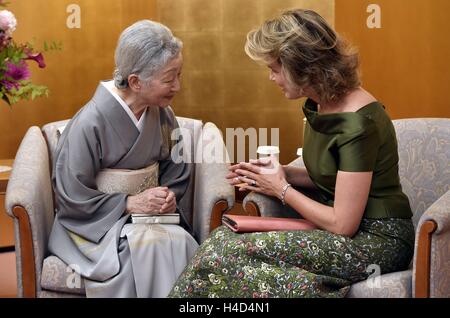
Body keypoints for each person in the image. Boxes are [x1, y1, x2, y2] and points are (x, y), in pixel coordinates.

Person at [169, 9, 414, 298]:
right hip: (349, 231)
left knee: (226, 253)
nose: (271, 77)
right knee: (220, 241)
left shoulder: (358, 123)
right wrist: (279, 172)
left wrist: (281, 188)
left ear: (302, 66)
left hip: (376, 240)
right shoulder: (321, 103)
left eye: (274, 68)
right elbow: (332, 175)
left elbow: (342, 223)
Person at [48, 20, 199, 298]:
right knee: (144, 250)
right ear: (135, 82)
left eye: (179, 75)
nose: (177, 86)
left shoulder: (163, 113)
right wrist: (129, 204)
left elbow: (176, 170)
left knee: (179, 243)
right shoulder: (89, 122)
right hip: (97, 226)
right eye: (169, 79)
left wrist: (167, 196)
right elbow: (72, 194)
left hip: (151, 218)